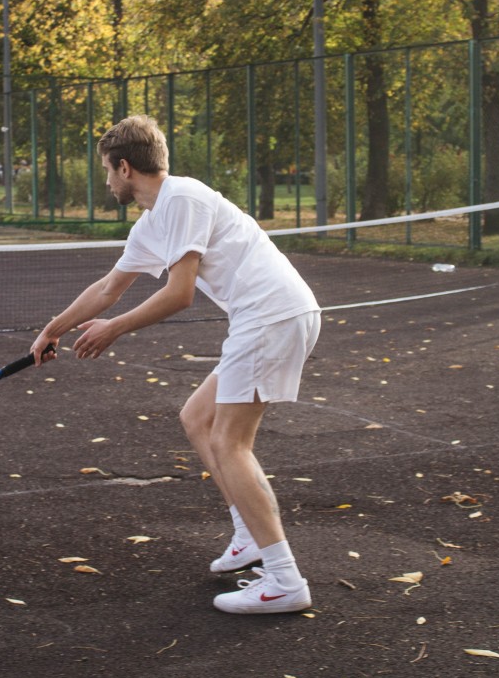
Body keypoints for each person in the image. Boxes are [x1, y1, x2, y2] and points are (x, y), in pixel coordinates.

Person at [31, 115, 321, 616]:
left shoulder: (181, 197)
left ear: (126, 167)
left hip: (271, 315)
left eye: (107, 170)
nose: (105, 182)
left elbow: (180, 293)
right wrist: (53, 328)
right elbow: (108, 288)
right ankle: (248, 536)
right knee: (197, 418)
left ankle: (283, 579)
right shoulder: (151, 222)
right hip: (265, 317)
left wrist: (114, 329)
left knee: (230, 442)